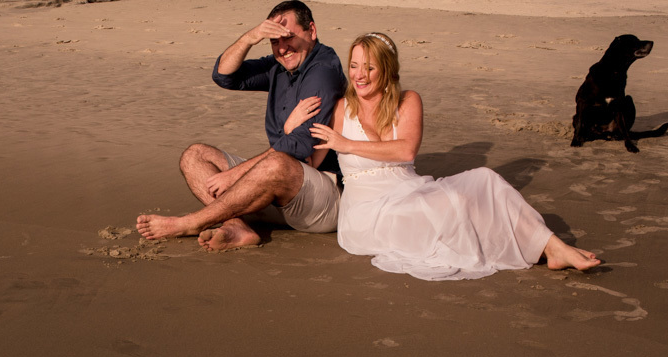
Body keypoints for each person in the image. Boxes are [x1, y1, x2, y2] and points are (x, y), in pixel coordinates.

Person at [297, 32, 600, 279]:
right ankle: (548, 248)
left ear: (387, 69)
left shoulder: (407, 101)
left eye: (370, 67)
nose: (359, 75)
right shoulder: (340, 109)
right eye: (354, 65)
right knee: (454, 209)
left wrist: (347, 145)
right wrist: (291, 126)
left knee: (484, 180)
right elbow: (310, 162)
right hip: (367, 212)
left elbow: (405, 150)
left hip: (410, 190)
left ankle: (552, 247)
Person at [136, 1, 346, 252]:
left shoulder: (322, 71)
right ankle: (237, 226)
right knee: (195, 156)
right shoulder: (279, 66)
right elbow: (225, 76)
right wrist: (251, 37)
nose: (282, 48)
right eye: (274, 41)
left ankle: (189, 223)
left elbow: (298, 145)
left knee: (276, 163)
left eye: (288, 37)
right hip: (279, 190)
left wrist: (236, 174)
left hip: (322, 198)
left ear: (311, 31)